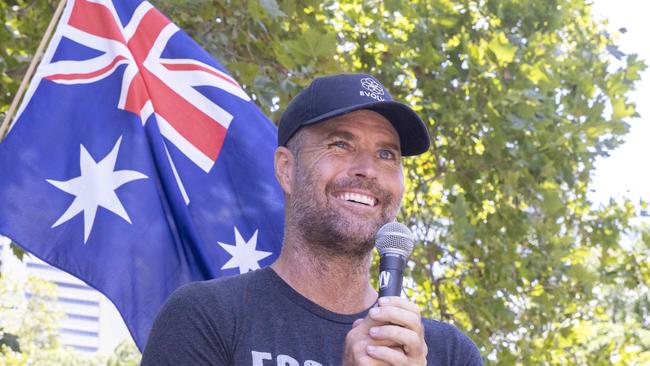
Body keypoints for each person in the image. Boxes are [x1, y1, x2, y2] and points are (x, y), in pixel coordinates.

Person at [141, 73, 483, 365]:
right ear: (286, 170)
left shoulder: (449, 353)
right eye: (340, 144)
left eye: (386, 154)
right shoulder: (206, 317)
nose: (367, 169)